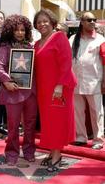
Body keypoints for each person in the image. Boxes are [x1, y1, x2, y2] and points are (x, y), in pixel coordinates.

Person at [33, 9, 77, 172]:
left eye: (45, 21)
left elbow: (66, 62)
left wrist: (59, 85)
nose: (42, 24)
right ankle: (52, 152)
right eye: (38, 22)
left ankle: (57, 156)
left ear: (52, 22)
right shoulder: (37, 44)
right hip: (44, 89)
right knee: (48, 122)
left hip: (60, 88)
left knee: (56, 121)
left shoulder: (60, 37)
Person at [0, 14, 37, 165]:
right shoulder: (4, 47)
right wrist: (6, 81)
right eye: (16, 30)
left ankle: (29, 150)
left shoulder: (31, 47)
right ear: (10, 31)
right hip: (12, 92)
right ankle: (11, 153)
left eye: (23, 30)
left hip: (31, 92)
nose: (20, 33)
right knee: (13, 126)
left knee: (30, 124)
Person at [69, 12, 105, 149]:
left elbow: (104, 61)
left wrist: (104, 81)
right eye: (89, 20)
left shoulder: (100, 39)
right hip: (76, 81)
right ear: (82, 22)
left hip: (94, 81)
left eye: (94, 20)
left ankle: (98, 140)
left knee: (97, 112)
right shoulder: (73, 39)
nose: (92, 22)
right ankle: (80, 137)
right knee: (77, 111)